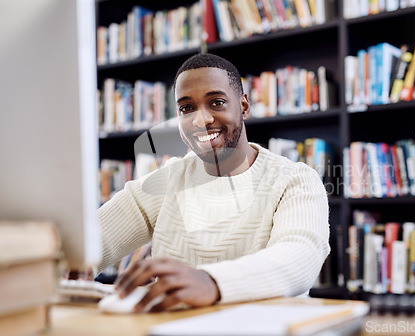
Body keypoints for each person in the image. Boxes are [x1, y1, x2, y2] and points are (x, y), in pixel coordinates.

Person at [97, 53, 330, 312]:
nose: (201, 120)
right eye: (186, 108)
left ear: (243, 106)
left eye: (217, 102)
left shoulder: (296, 179)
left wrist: (213, 282)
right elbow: (93, 237)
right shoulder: (170, 178)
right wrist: (72, 261)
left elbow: (300, 257)